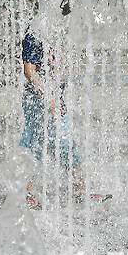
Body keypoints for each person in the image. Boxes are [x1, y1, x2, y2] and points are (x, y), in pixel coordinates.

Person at [20, 28, 111, 210]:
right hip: (38, 103)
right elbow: (29, 72)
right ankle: (25, 195)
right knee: (33, 147)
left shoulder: (58, 33)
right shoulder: (35, 34)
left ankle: (80, 192)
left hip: (55, 102)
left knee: (67, 147)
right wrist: (49, 97)